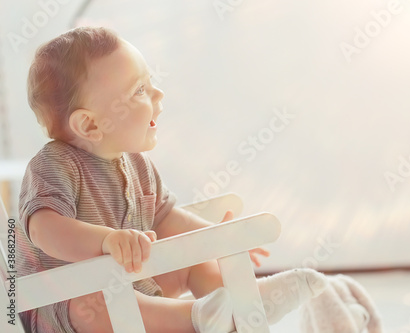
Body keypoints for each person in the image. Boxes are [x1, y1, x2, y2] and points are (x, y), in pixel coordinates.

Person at [17, 26, 327, 333]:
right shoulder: (54, 164)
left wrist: (217, 238)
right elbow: (44, 230)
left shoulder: (138, 164)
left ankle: (246, 303)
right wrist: (106, 241)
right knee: (96, 301)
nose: (157, 93)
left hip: (131, 284)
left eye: (149, 83)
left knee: (191, 261)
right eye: (139, 90)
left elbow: (165, 218)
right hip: (64, 304)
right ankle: (196, 317)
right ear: (90, 124)